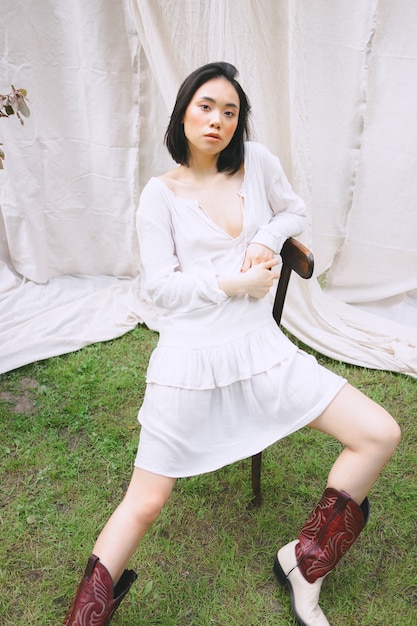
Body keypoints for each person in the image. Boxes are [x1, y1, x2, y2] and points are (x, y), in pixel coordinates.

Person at [62, 62, 400, 626]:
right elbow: (158, 288)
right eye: (205, 106)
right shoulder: (159, 195)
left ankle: (304, 564)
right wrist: (231, 283)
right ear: (183, 112)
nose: (218, 120)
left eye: (230, 111)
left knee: (379, 433)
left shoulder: (256, 162)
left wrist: (265, 240)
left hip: (260, 348)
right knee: (144, 502)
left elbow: (293, 210)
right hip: (189, 359)